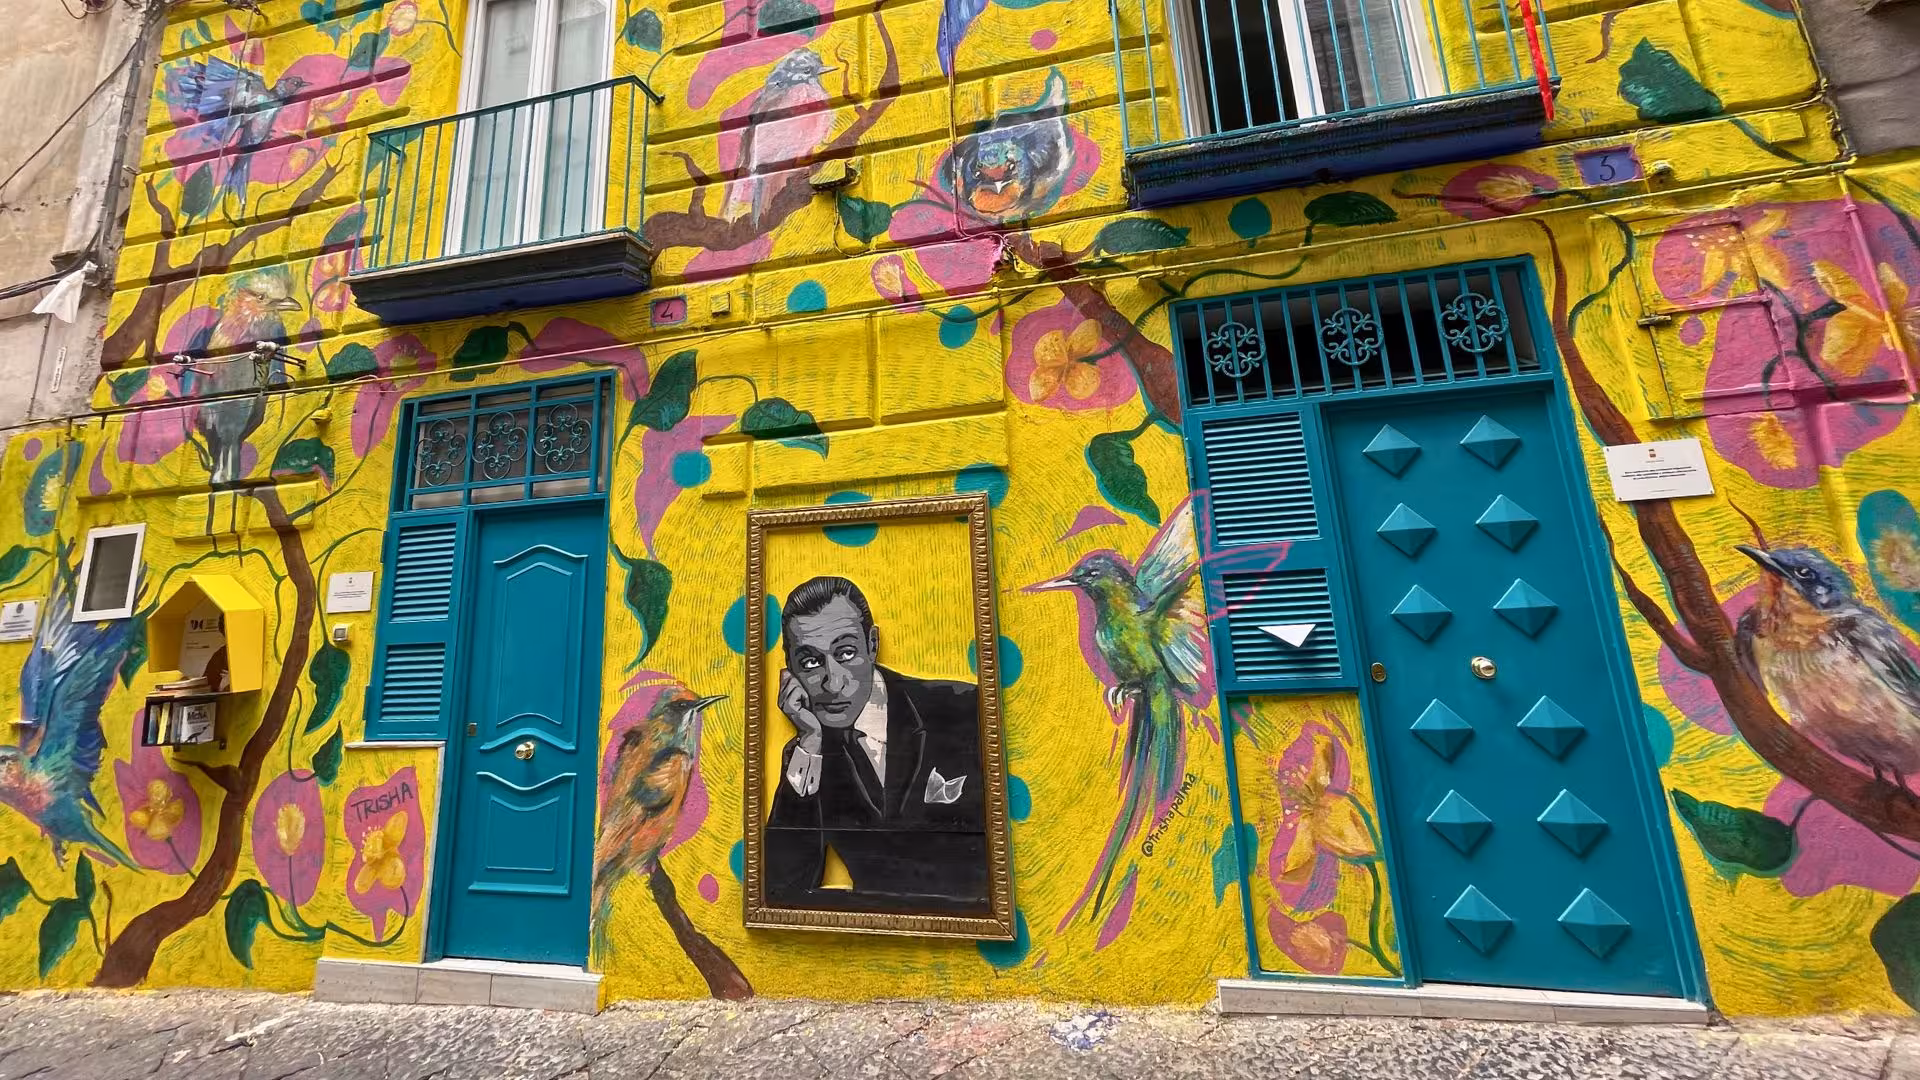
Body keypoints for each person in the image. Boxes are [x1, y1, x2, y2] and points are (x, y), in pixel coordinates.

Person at [763, 575, 989, 914]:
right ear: (790, 669)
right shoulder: (808, 758)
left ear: (872, 644)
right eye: (810, 661)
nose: (833, 681)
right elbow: (781, 892)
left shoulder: (964, 708)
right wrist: (810, 743)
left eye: (846, 652)